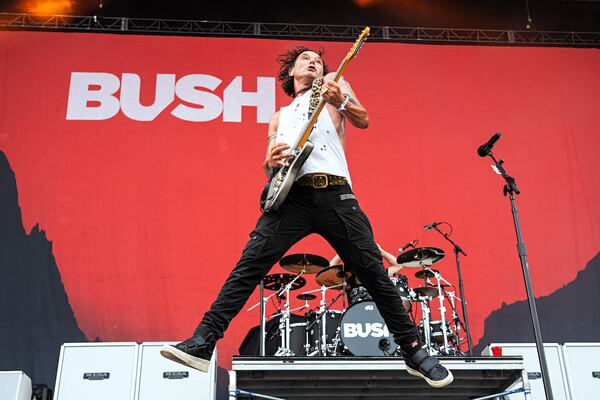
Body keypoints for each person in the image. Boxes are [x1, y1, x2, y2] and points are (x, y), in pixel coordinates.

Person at [160, 46, 453, 388]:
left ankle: (414, 351)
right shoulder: (278, 117)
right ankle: (204, 340)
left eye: (318, 59)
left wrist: (340, 99)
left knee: (373, 272)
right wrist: (270, 157)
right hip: (292, 199)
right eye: (305, 59)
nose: (314, 62)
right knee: (248, 266)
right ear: (290, 74)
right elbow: (273, 167)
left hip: (336, 195)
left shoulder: (333, 84)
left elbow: (363, 119)